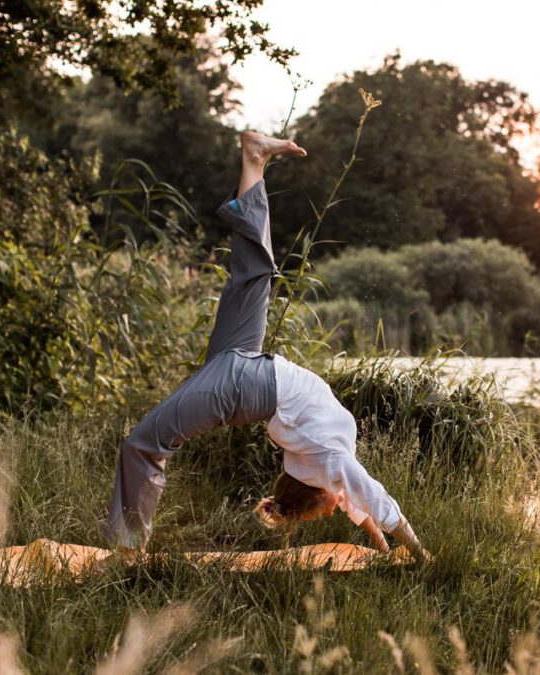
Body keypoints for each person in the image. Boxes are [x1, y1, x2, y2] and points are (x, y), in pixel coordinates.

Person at [102, 131, 429, 563]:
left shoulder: (321, 464)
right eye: (327, 510)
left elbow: (359, 502)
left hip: (250, 367)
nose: (337, 508)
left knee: (253, 274)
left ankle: (253, 160)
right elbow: (372, 501)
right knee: (143, 444)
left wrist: (380, 545)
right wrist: (417, 552)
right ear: (320, 497)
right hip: (244, 383)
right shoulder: (330, 462)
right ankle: (129, 550)